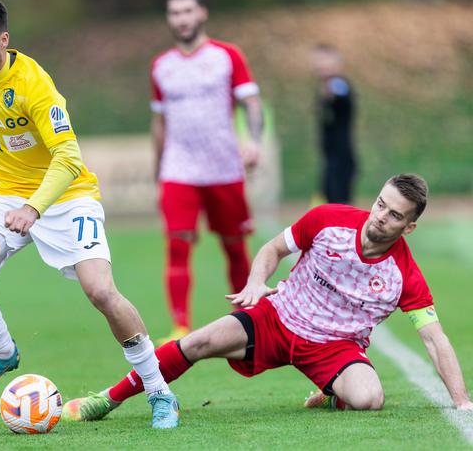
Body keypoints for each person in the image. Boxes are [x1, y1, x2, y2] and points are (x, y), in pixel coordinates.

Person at [0, 0, 179, 429]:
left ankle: (160, 390)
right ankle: (1, 353)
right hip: (11, 195)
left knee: (101, 293)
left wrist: (35, 207)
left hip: (68, 196)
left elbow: (68, 158)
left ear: (3, 39)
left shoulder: (35, 85)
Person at [63, 174, 473, 422]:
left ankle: (334, 393)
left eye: (394, 215)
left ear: (410, 226)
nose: (380, 217)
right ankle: (108, 398)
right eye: (380, 204)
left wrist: (462, 402)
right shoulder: (328, 219)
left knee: (370, 399)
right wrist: (258, 283)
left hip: (334, 347)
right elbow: (274, 249)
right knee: (197, 343)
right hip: (276, 318)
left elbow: (434, 339)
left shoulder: (404, 275)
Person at [151, 0, 264, 342]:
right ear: (169, 19)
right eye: (175, 13)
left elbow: (252, 104)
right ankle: (180, 326)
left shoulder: (226, 56)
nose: (182, 19)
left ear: (201, 13)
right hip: (179, 169)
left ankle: (249, 319)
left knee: (233, 245)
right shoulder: (162, 66)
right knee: (177, 244)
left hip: (223, 168)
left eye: (187, 11)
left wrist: (254, 141)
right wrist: (158, 172)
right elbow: (159, 121)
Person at [312, 44, 357, 204]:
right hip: (331, 158)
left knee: (339, 205)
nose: (319, 65)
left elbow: (341, 93)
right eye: (317, 60)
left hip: (341, 158)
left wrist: (331, 92)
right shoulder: (323, 87)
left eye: (324, 60)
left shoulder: (338, 84)